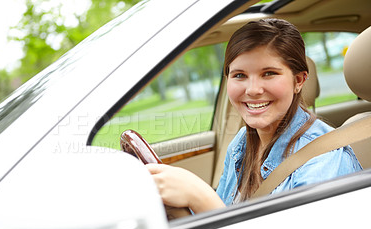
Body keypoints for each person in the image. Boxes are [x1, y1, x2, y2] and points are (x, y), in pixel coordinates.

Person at [146, 18, 362, 214]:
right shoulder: (242, 142)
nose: (252, 90)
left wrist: (199, 195)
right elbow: (219, 214)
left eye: (269, 73)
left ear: (299, 81)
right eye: (239, 75)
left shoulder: (325, 162)